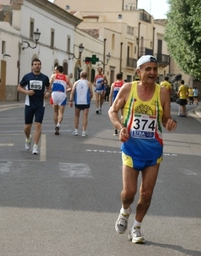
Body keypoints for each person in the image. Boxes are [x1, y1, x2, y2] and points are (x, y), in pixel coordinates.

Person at [108, 55, 177, 244]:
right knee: (129, 193)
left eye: (155, 69)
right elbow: (112, 111)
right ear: (138, 72)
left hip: (153, 151)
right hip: (131, 148)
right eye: (148, 69)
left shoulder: (162, 92)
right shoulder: (128, 89)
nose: (153, 73)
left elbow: (165, 118)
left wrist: (169, 122)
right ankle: (124, 211)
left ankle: (136, 227)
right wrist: (120, 127)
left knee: (146, 194)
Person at [17, 58, 51, 155]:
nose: (37, 66)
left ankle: (35, 146)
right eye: (35, 64)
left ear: (40, 66)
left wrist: (48, 93)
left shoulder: (44, 77)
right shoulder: (27, 77)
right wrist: (27, 92)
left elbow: (49, 87)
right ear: (32, 66)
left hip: (40, 104)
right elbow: (19, 88)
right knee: (27, 127)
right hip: (29, 104)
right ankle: (28, 138)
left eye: (38, 64)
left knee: (38, 125)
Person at [69, 71, 93, 137]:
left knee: (77, 116)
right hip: (86, 102)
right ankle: (84, 132)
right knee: (85, 116)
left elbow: (72, 92)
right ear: (87, 76)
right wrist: (89, 99)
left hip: (78, 102)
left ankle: (76, 131)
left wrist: (71, 101)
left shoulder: (76, 83)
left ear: (80, 76)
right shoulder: (89, 83)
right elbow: (91, 93)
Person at [50, 65, 72, 135]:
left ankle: (56, 127)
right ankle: (58, 125)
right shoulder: (66, 77)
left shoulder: (53, 76)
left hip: (54, 94)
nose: (54, 71)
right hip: (62, 94)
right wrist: (66, 90)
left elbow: (49, 86)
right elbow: (72, 87)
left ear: (58, 70)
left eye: (55, 69)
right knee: (61, 113)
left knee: (55, 112)